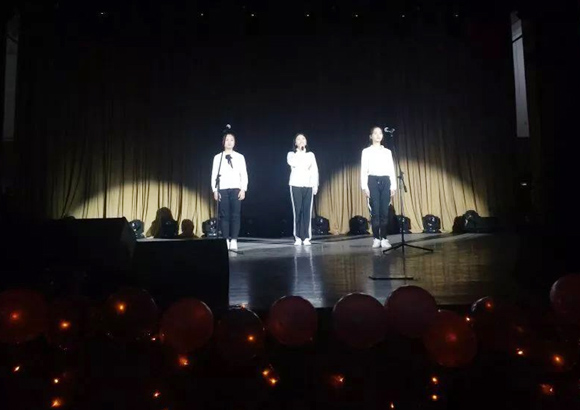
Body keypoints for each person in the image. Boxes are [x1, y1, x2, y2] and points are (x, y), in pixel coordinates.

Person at [210, 132, 248, 250]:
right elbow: (214, 174)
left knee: (235, 215)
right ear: (223, 142)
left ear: (234, 142)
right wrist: (215, 190)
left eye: (232, 140)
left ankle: (234, 239)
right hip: (223, 188)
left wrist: (243, 188)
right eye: (227, 140)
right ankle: (225, 239)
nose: (229, 142)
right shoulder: (218, 157)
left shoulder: (240, 157)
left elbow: (244, 174)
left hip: (236, 188)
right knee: (224, 215)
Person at [360, 126, 397, 249]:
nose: (378, 135)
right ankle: (376, 238)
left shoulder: (387, 152)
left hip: (385, 180)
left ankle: (384, 238)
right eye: (375, 133)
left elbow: (391, 169)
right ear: (371, 136)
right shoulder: (366, 151)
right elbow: (364, 170)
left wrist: (393, 185)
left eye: (380, 133)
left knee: (384, 211)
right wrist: (365, 186)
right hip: (372, 180)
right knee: (375, 211)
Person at [287, 133, 319, 246]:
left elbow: (314, 170)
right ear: (295, 143)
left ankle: (306, 237)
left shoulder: (310, 155)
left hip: (308, 185)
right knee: (298, 211)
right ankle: (298, 237)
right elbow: (293, 163)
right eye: (298, 139)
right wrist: (299, 152)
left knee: (307, 211)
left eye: (303, 138)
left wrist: (315, 185)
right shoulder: (291, 154)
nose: (301, 140)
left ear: (306, 142)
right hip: (295, 185)